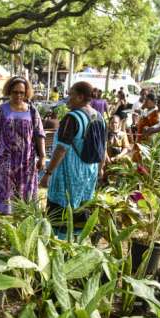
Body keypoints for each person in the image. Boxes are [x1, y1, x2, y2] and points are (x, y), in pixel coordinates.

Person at [41, 81, 105, 226]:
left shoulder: (72, 118)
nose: (67, 98)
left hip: (68, 174)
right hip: (89, 173)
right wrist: (100, 169)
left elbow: (61, 149)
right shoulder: (99, 117)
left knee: (61, 212)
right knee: (82, 208)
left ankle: (60, 243)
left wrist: (48, 173)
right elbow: (103, 148)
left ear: (80, 97)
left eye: (71, 95)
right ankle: (76, 242)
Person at [0, 76, 46, 214]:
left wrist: (42, 156)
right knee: (2, 191)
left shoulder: (32, 110)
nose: (18, 95)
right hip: (5, 160)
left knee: (25, 194)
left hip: (27, 161)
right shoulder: (1, 110)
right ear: (9, 91)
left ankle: (20, 225)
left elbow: (39, 135)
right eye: (15, 92)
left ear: (26, 93)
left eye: (21, 92)